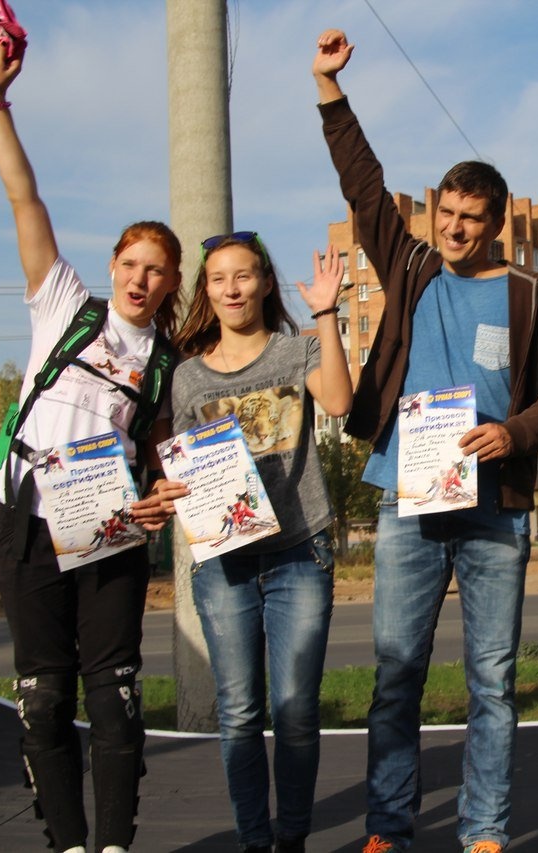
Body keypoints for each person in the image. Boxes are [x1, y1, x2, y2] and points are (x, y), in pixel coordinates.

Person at [312, 28, 538, 853]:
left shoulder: (535, 293)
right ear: (434, 215)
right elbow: (364, 184)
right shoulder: (411, 266)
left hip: (495, 508)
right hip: (407, 500)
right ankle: (389, 828)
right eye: (448, 214)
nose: (457, 229)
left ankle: (485, 832)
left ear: (496, 223)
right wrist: (329, 89)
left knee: (492, 682)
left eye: (472, 218)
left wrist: (514, 431)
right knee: (396, 675)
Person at [0, 47, 182, 853]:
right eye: (131, 262)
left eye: (156, 269)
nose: (140, 277)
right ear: (112, 265)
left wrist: (164, 497)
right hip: (28, 520)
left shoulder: (166, 360)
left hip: (110, 530)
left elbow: (169, 459)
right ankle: (65, 842)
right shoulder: (64, 305)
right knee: (43, 696)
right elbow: (22, 196)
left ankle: (115, 845)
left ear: (169, 284)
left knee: (117, 694)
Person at [169, 233, 353, 853]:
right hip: (224, 563)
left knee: (297, 709)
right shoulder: (188, 377)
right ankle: (254, 840)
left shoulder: (294, 352)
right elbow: (177, 464)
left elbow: (340, 400)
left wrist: (326, 313)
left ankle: (293, 836)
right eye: (219, 279)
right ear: (207, 291)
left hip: (299, 551)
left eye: (244, 277)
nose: (232, 289)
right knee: (241, 713)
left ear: (266, 283)